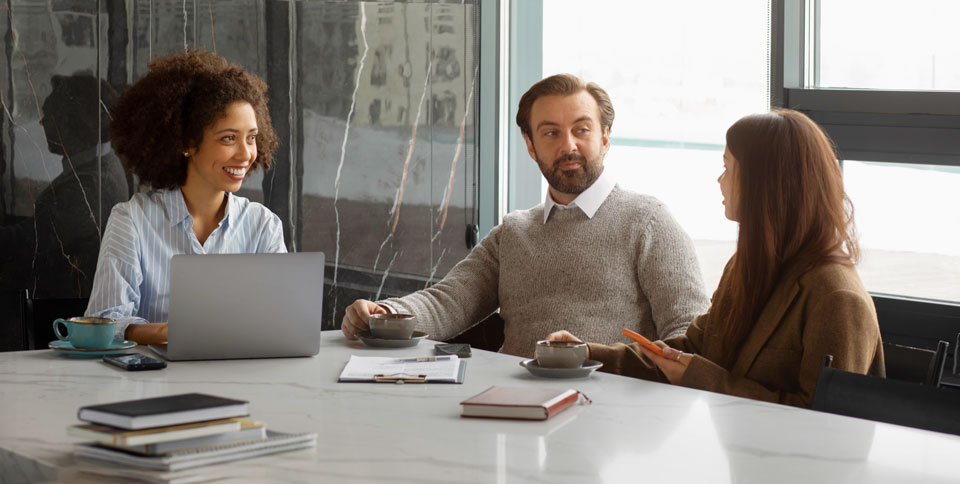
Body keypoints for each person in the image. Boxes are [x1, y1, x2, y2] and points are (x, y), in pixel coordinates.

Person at [341, 74, 709, 358]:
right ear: (531, 147)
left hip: (612, 420)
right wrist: (383, 313)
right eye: (551, 133)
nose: (569, 145)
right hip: (514, 413)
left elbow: (689, 338)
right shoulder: (514, 232)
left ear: (606, 137)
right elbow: (447, 303)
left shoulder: (648, 221)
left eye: (582, 129)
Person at [547, 109, 885, 408]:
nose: (720, 180)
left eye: (727, 167)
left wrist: (702, 377)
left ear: (764, 184)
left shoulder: (837, 299)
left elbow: (826, 427)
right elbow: (693, 348)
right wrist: (587, 354)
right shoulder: (746, 267)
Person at [85, 50, 284, 344]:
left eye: (251, 137)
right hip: (148, 382)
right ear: (187, 143)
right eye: (229, 138)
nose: (245, 154)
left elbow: (282, 320)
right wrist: (163, 333)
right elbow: (103, 320)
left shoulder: (263, 226)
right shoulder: (131, 221)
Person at [0, 74, 129, 298]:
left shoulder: (91, 187)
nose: (42, 124)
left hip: (61, 310)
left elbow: (28, 243)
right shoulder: (102, 163)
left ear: (67, 124)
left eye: (46, 117)